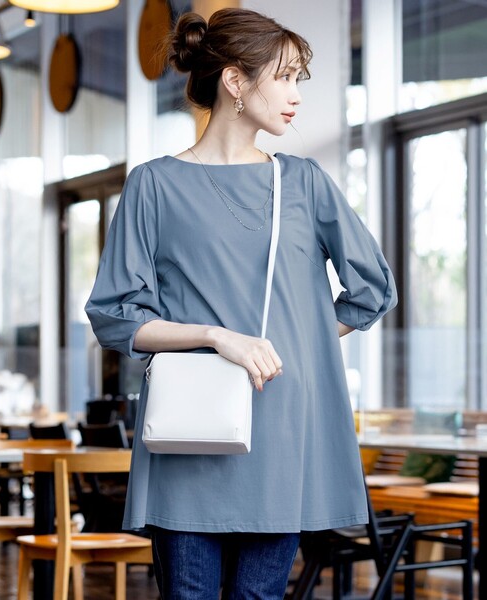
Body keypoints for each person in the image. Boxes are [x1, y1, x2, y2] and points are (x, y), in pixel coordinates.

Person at [85, 7, 397, 599]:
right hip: (190, 431)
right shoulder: (153, 184)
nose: (295, 95)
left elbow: (372, 290)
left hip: (281, 428)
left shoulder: (303, 182)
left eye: (298, 79)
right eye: (284, 77)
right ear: (234, 80)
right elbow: (115, 314)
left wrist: (293, 342)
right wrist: (217, 337)